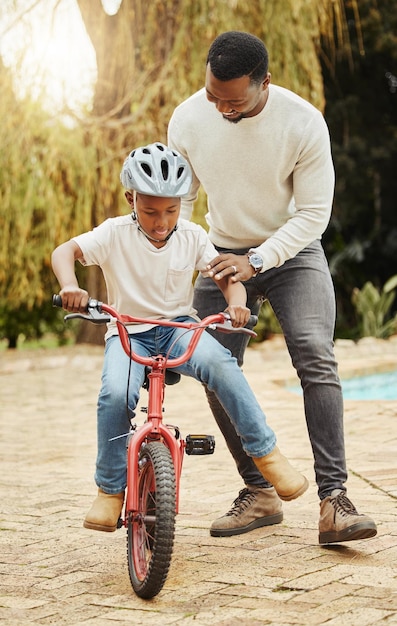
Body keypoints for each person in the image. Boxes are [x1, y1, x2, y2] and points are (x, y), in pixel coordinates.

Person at [168, 31, 377, 544]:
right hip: (219, 253)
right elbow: (182, 201)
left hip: (291, 253)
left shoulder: (302, 122)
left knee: (314, 353)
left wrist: (257, 259)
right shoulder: (189, 118)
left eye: (233, 100)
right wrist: (185, 261)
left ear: (265, 83)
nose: (220, 108)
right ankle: (259, 491)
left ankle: (334, 501)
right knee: (211, 365)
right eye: (213, 95)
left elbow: (312, 214)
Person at [51, 142, 308, 532]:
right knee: (114, 395)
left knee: (222, 364)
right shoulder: (114, 233)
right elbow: (63, 251)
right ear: (130, 199)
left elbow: (226, 277)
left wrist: (237, 303)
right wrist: (70, 285)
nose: (161, 221)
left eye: (170, 210)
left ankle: (268, 457)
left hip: (177, 329)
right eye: (150, 210)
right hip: (128, 332)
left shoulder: (191, 235)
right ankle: (109, 490)